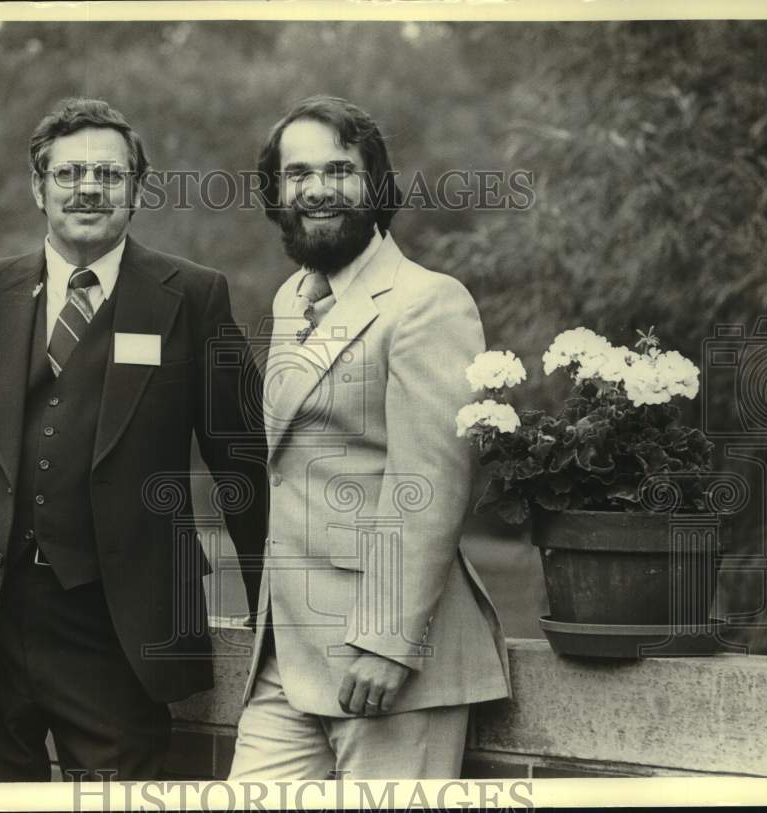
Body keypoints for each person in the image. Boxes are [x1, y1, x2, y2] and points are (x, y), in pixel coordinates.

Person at [0, 97, 267, 782]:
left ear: (137, 190)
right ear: (38, 187)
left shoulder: (194, 298)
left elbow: (245, 465)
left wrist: (274, 615)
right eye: (70, 173)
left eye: (109, 175)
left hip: (122, 630)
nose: (88, 188)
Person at [229, 95, 511, 780]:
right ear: (276, 192)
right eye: (297, 174)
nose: (317, 189)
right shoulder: (292, 297)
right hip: (287, 658)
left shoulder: (428, 301)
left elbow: (430, 481)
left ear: (374, 185)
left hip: (388, 661)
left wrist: (388, 641)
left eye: (339, 170)